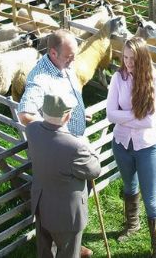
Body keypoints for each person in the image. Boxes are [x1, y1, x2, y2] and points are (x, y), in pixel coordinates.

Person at [106, 37, 156, 257]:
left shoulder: (155, 81)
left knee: (151, 200)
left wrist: (124, 117)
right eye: (125, 57)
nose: (128, 62)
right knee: (129, 187)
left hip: (147, 146)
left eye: (133, 58)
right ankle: (133, 225)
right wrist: (136, 116)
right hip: (121, 144)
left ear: (142, 58)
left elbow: (150, 121)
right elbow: (110, 114)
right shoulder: (117, 78)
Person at [26, 91, 101, 258]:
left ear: (43, 111)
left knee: (45, 252)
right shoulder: (75, 146)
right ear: (67, 117)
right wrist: (87, 146)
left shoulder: (31, 130)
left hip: (42, 206)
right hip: (67, 216)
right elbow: (94, 170)